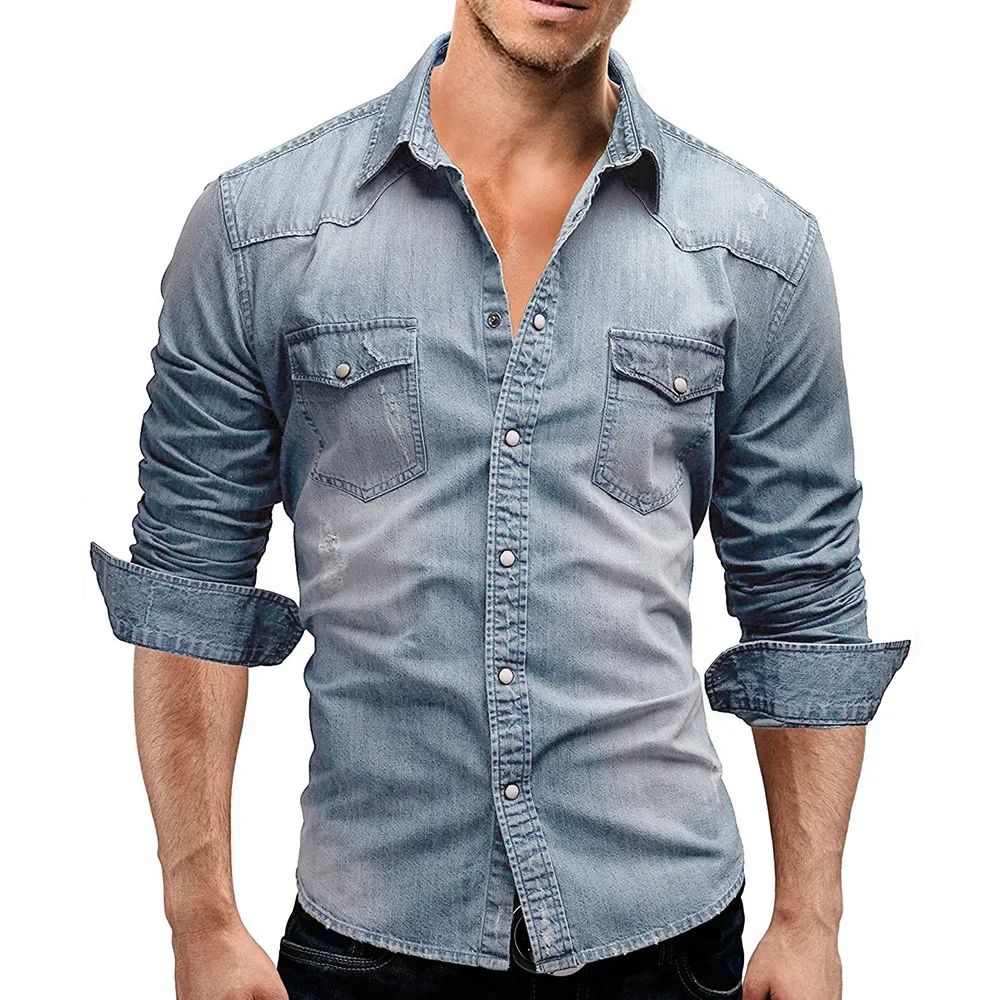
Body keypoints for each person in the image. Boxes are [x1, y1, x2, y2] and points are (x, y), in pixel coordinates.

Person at [90, 2, 911, 997]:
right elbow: (191, 588)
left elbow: (804, 602)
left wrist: (810, 918)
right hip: (369, 940)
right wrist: (201, 918)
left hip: (664, 939)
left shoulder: (758, 251)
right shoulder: (258, 233)